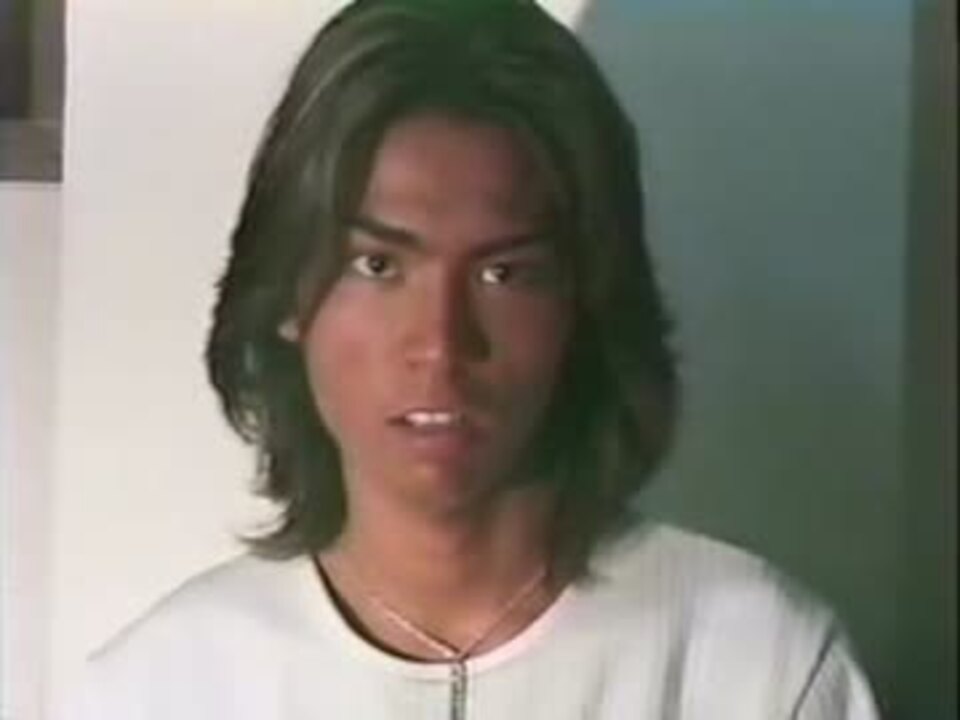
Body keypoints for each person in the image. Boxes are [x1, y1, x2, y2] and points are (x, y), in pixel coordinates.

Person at [60, 0, 881, 718]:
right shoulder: (159, 690)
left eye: (504, 273)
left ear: (585, 300)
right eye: (378, 265)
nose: (441, 342)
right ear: (286, 297)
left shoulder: (756, 664)